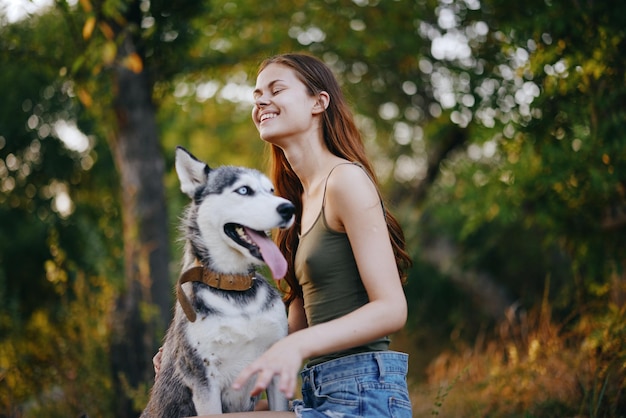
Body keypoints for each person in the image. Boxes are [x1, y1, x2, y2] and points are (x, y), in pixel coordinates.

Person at [155, 53, 413, 418]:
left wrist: (297, 346)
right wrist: (190, 352)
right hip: (317, 391)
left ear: (318, 103)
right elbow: (285, 330)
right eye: (257, 94)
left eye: (276, 89)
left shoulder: (345, 181)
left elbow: (391, 309)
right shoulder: (294, 202)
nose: (261, 101)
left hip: (363, 394)